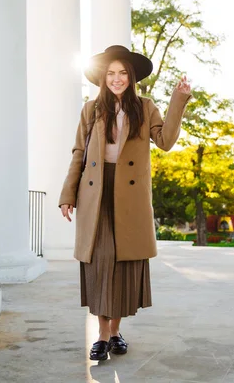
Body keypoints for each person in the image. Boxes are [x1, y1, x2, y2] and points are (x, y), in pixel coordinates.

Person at [59, 45, 192, 361]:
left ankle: (114, 332)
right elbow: (79, 152)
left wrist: (178, 101)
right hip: (96, 193)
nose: (116, 79)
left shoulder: (145, 108)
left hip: (129, 196)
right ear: (103, 78)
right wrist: (67, 194)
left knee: (121, 265)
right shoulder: (91, 109)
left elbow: (166, 142)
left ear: (131, 78)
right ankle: (103, 336)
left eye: (122, 73)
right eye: (110, 74)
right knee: (101, 261)